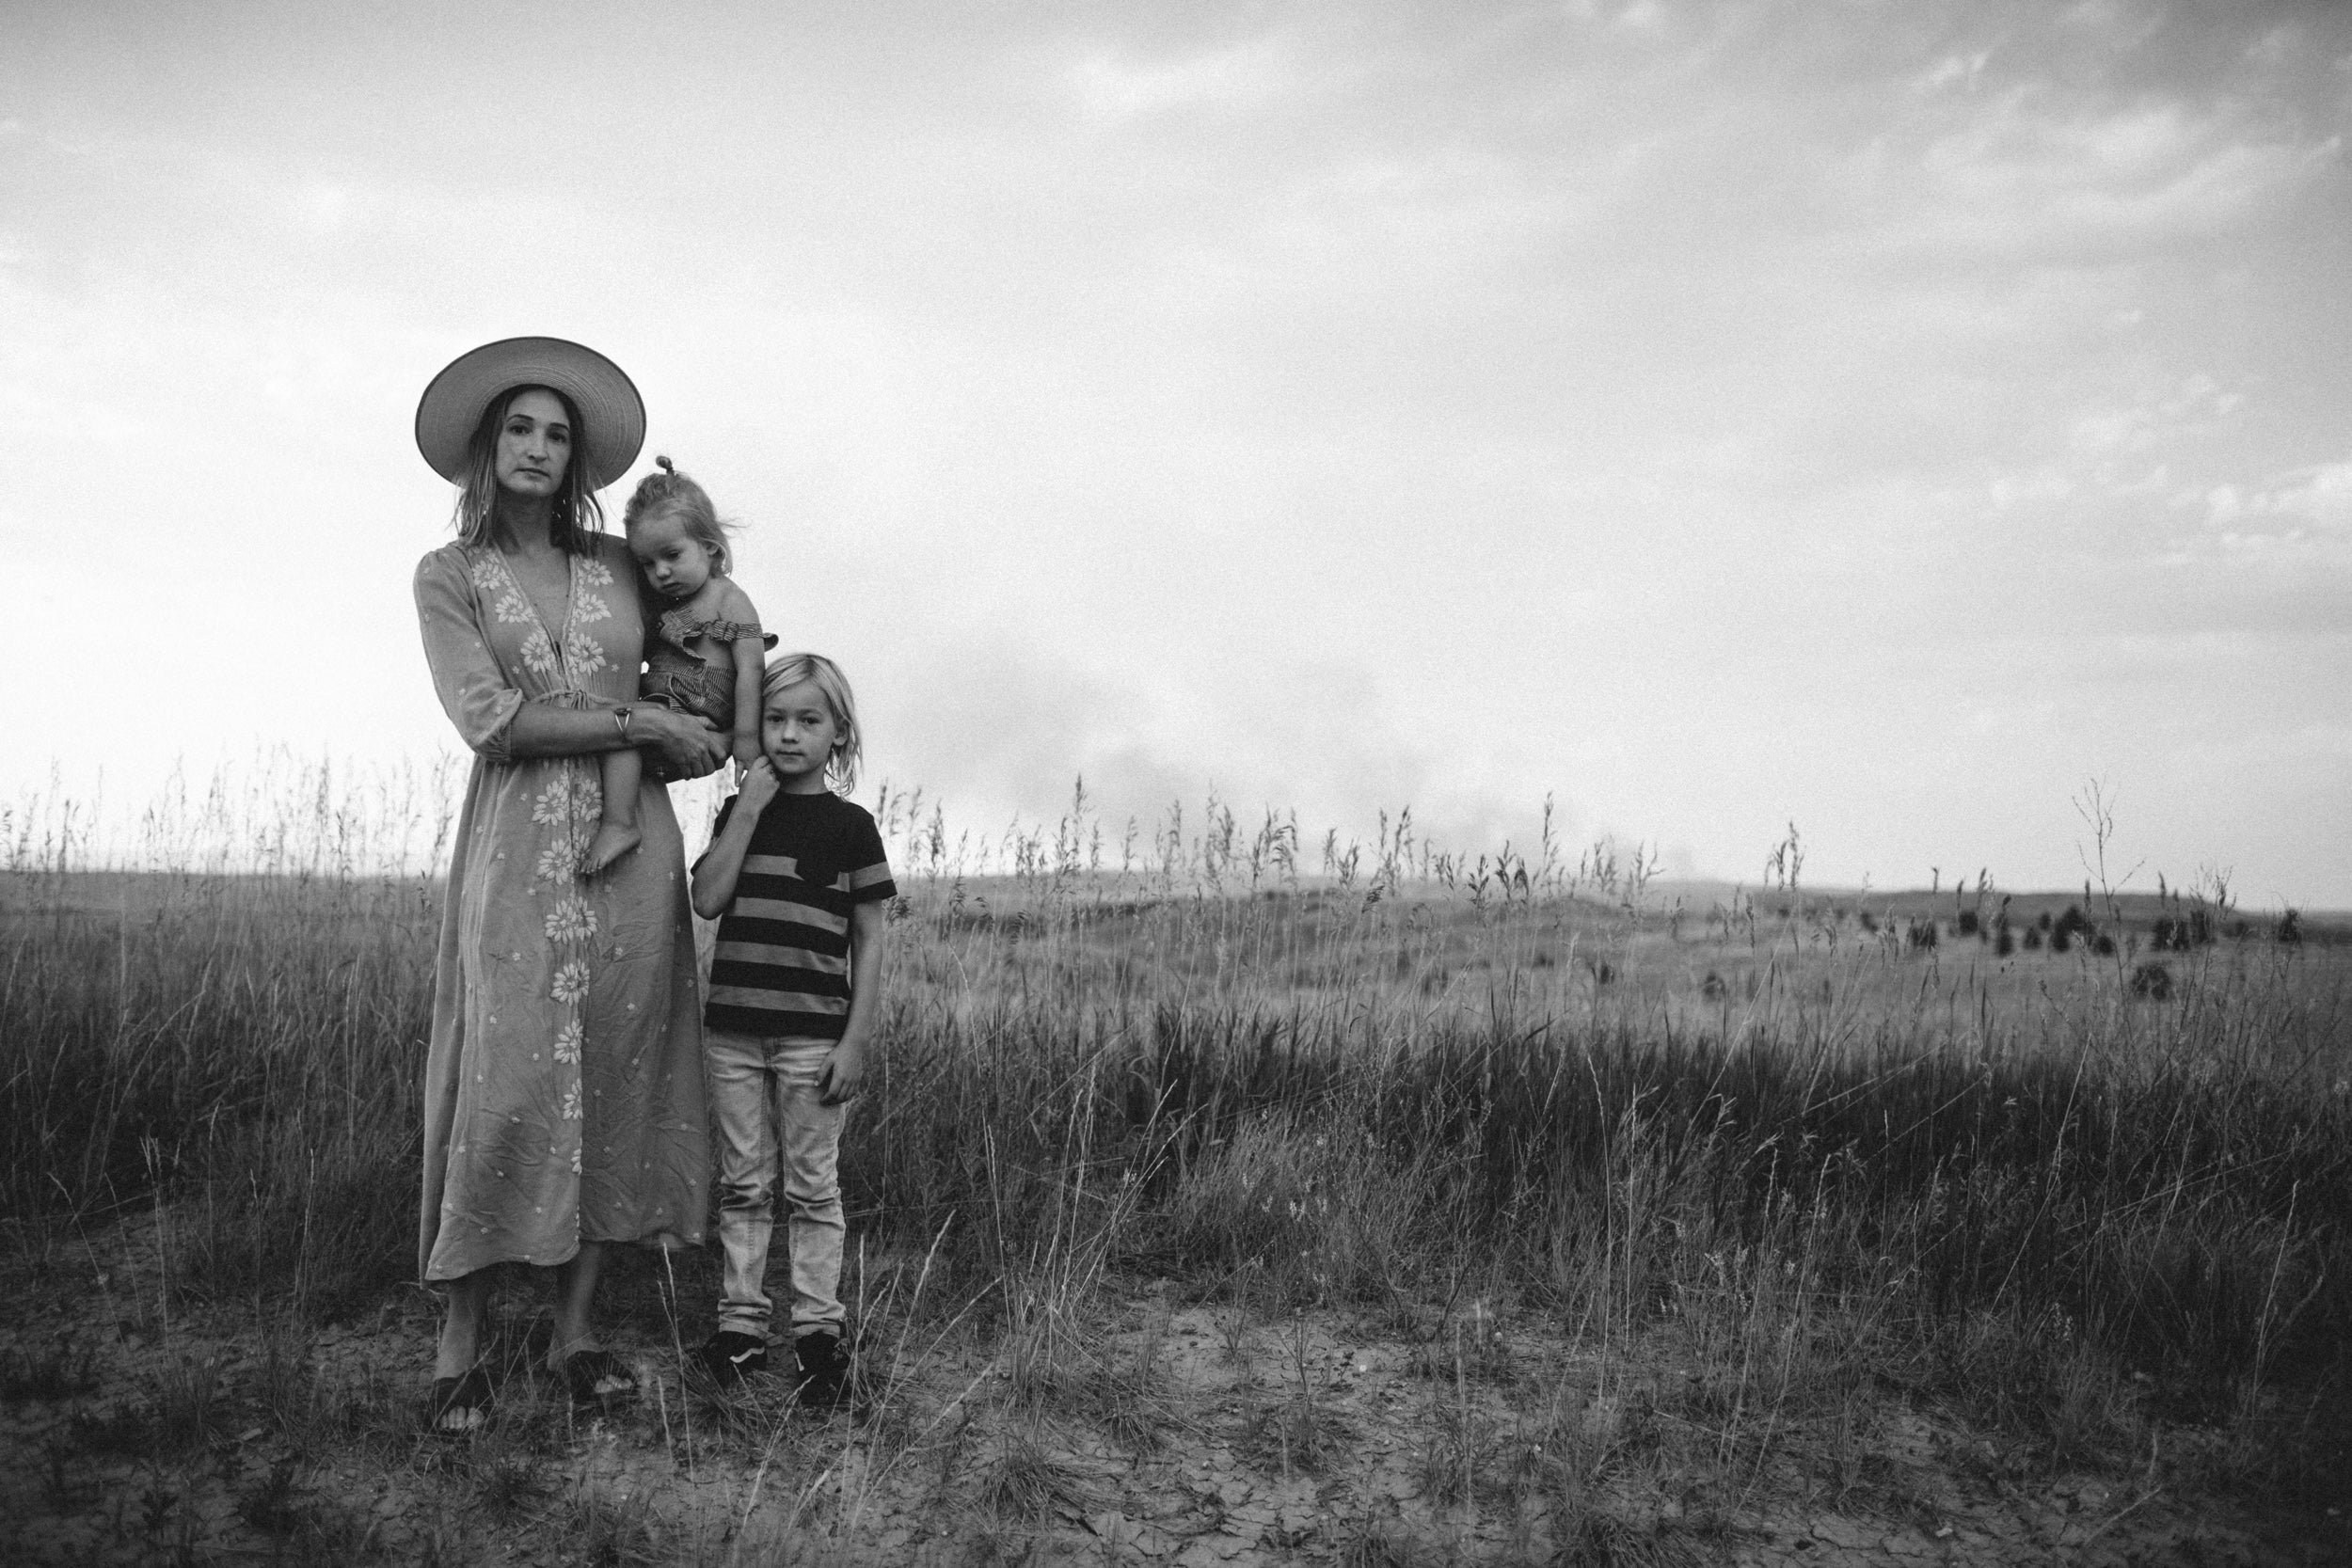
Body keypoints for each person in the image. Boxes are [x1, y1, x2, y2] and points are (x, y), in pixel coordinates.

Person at [410, 337, 727, 1433]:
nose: (538, 447)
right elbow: (491, 721)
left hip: (633, 852)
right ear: (484, 451)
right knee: (505, 1079)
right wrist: (640, 718)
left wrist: (722, 715)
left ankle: (575, 1333)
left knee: (614, 1074)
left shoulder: (620, 562)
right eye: (519, 429)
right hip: (511, 854)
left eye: (556, 432)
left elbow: (704, 641)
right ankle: (461, 1339)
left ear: (577, 454)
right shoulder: (448, 575)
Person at [689, 654, 894, 1405]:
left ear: (839, 734)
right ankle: (740, 1329)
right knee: (744, 1182)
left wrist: (855, 1041)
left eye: (809, 720)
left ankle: (818, 1336)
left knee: (813, 1186)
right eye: (775, 719)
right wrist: (745, 809)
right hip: (735, 1033)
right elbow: (708, 899)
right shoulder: (740, 815)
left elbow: (870, 939)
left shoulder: (851, 827)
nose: (789, 733)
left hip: (814, 1037)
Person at [581, 456, 772, 877]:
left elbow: (751, 671)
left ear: (710, 547)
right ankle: (620, 814)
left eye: (671, 555)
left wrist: (742, 739)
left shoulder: (729, 600)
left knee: (627, 733)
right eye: (648, 564)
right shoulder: (668, 604)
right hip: (665, 704)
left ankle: (619, 823)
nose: (661, 572)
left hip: (703, 708)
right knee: (622, 729)